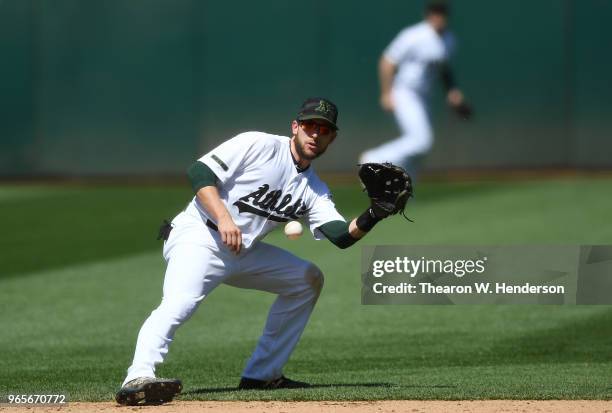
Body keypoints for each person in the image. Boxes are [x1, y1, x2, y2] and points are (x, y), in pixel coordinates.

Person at [115, 98, 397, 406]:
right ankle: (137, 376)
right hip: (199, 235)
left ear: (332, 137)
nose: (315, 134)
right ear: (295, 127)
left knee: (307, 278)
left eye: (324, 130)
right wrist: (224, 217)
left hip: (243, 250)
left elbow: (341, 236)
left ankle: (262, 374)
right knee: (180, 302)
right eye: (310, 126)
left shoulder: (314, 189)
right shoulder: (259, 145)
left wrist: (375, 213)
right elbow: (199, 172)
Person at [359, 2, 470, 176]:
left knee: (419, 152)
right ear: (428, 15)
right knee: (421, 141)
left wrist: (452, 91)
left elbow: (443, 69)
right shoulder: (414, 35)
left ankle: (403, 191)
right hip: (405, 92)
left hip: (424, 97)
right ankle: (373, 159)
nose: (439, 18)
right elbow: (387, 61)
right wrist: (387, 93)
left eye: (442, 14)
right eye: (435, 13)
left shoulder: (449, 40)